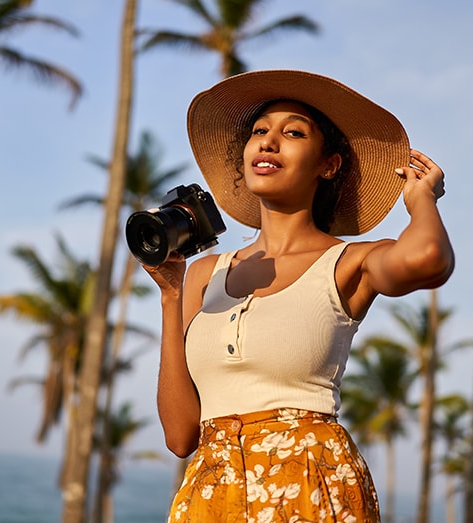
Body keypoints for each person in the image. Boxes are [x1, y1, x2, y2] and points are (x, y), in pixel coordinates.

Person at [141, 70, 454, 523]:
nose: (268, 142)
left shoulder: (349, 262)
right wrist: (172, 295)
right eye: (259, 131)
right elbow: (180, 434)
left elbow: (429, 258)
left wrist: (422, 197)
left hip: (310, 486)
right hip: (211, 493)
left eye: (292, 132)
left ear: (328, 165)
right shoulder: (205, 273)